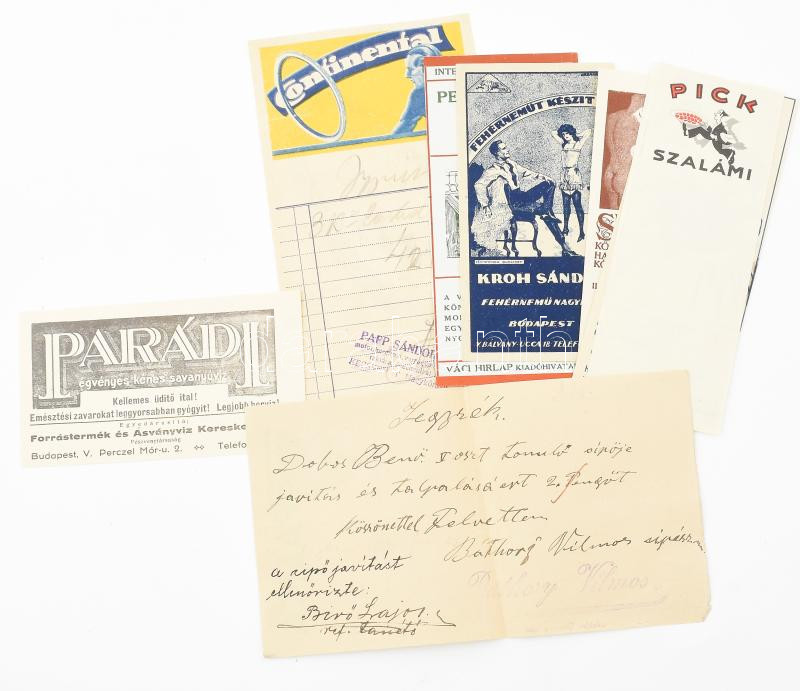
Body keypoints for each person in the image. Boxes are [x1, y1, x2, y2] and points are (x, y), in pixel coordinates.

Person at [472, 139, 574, 257]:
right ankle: (564, 247)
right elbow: (478, 185)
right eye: (503, 148)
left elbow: (525, 172)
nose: (507, 150)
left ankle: (547, 212)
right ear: (497, 153)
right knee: (546, 213)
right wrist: (485, 205)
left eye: (506, 147)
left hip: (521, 196)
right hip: (511, 204)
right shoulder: (492, 170)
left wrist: (543, 177)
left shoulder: (512, 164)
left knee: (549, 184)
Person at [552, 124, 592, 242]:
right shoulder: (563, 144)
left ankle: (581, 232)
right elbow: (553, 133)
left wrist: (576, 135)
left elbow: (588, 131)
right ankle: (565, 228)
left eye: (567, 133)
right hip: (564, 176)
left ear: (571, 133)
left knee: (577, 204)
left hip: (574, 175)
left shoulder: (578, 144)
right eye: (563, 134)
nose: (565, 136)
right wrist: (563, 134)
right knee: (566, 204)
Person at [392, 44, 440, 135]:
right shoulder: (418, 95)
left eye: (411, 69)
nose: (407, 75)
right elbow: (402, 128)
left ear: (425, 68)